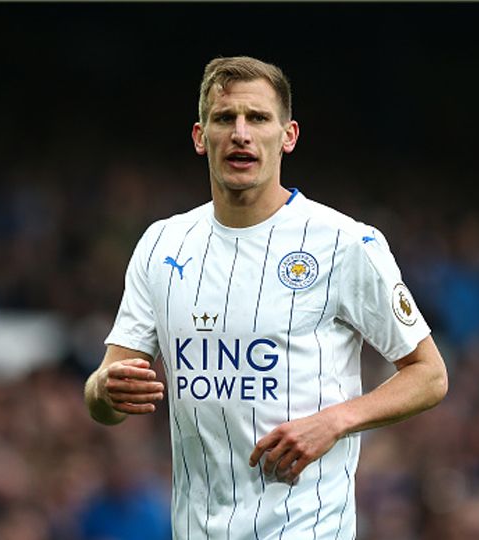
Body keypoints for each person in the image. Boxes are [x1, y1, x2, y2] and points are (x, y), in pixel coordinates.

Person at [84, 56, 448, 540]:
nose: (240, 133)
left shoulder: (344, 243)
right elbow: (103, 396)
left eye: (257, 118)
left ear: (288, 136)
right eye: (224, 118)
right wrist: (105, 391)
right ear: (200, 136)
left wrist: (336, 421)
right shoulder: (162, 244)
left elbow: (430, 374)